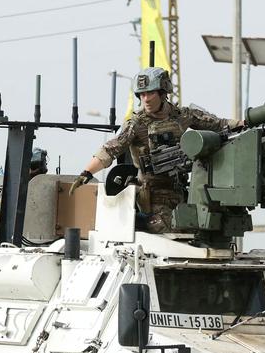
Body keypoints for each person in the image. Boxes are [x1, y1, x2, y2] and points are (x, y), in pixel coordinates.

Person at [68, 67, 240, 233]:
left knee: (204, 224)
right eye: (142, 94)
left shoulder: (182, 116)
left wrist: (244, 122)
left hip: (179, 191)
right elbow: (110, 149)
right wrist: (86, 173)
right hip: (151, 195)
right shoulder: (136, 124)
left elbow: (219, 124)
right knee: (169, 225)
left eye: (150, 93)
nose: (146, 99)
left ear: (163, 93)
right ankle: (133, 221)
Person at [0, 147, 49, 242]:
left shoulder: (50, 194)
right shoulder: (12, 197)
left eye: (42, 166)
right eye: (34, 166)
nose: (38, 171)